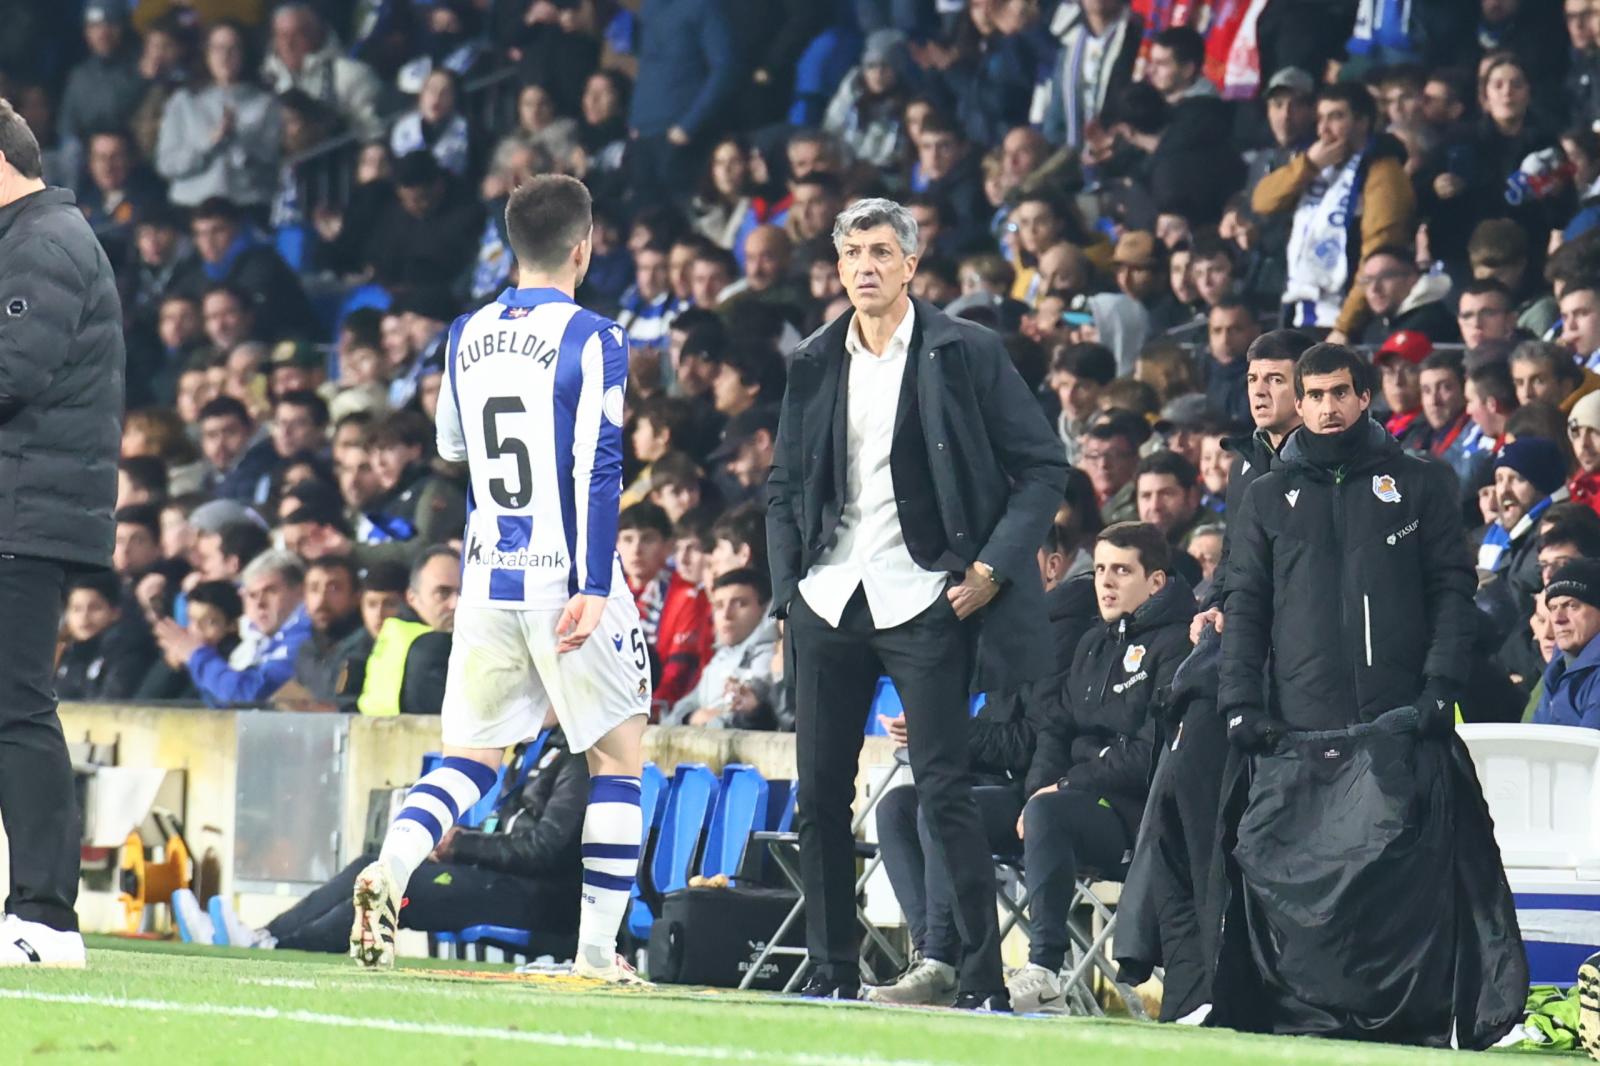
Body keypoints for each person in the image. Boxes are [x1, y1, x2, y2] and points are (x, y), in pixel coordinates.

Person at [767, 197, 1066, 1008]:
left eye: (879, 251)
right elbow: (786, 482)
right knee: (821, 798)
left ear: (910, 264)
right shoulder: (814, 358)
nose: (864, 265)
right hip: (830, 598)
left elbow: (1044, 468)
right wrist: (787, 591)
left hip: (926, 597)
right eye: (851, 252)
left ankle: (980, 983)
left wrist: (994, 570)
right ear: (837, 267)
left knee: (944, 791)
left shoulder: (965, 351)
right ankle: (831, 975)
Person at [355, 175, 651, 985]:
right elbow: (600, 464)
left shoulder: (463, 333)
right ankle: (596, 954)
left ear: (512, 247)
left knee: (469, 758)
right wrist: (595, 580)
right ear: (584, 249)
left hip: (488, 575)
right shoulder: (596, 338)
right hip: (567, 575)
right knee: (617, 760)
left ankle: (392, 867)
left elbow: (452, 447)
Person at [1214, 342, 1525, 1045]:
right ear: (1300, 400)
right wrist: (1240, 703)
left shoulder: (1420, 484)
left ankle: (1408, 1026)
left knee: (1396, 883)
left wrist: (1439, 689)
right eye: (1314, 394)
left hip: (1398, 718)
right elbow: (1246, 606)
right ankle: (1302, 1019)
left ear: (1365, 397)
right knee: (1297, 873)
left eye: (1338, 394)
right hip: (1300, 726)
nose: (1326, 408)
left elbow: (1452, 592)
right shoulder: (1265, 496)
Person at [0, 97, 124, 966]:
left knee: (16, 710)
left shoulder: (42, 243)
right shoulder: (32, 239)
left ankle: (45, 918)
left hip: (22, 511)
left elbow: (12, 371)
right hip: (20, 503)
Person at [1007, 521, 1194, 1014]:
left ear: (1155, 581)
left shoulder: (1177, 647)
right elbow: (1056, 729)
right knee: (919, 806)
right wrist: (1037, 789)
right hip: (1065, 801)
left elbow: (1151, 754)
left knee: (1050, 815)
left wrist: (1064, 786)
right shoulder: (1093, 643)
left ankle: (1045, 972)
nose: (1106, 582)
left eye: (1122, 571)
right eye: (1100, 570)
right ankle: (948, 958)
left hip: (1133, 816)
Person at [205, 731, 588, 954]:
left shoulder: (578, 756)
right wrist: (459, 844)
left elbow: (547, 848)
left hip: (540, 898)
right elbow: (510, 831)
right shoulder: (533, 748)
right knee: (371, 865)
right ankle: (264, 934)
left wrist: (462, 847)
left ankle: (283, 948)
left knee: (402, 886)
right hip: (499, 877)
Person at [1252, 84, 1412, 340]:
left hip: (1345, 319)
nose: (1324, 130)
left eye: (1336, 117)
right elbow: (1262, 201)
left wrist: (1344, 326)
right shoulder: (1314, 164)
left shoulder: (1383, 172)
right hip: (1299, 311)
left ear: (1362, 122)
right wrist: (1309, 165)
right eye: (1320, 119)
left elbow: (1377, 253)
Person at [154, 549, 312, 707]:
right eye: (252, 595)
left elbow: (249, 695)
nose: (259, 603)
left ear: (300, 592)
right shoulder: (256, 641)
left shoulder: (305, 637)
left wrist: (196, 655)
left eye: (270, 591)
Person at [663, 568, 779, 729]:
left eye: (739, 603)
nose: (726, 614)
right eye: (718, 605)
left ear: (764, 609)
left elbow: (745, 719)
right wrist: (691, 717)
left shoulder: (769, 657)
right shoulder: (719, 658)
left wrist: (706, 720)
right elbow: (681, 710)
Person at [1533, 558, 1600, 727]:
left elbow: (1589, 750)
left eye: (1571, 606)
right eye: (1553, 608)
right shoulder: (1556, 669)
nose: (1557, 619)